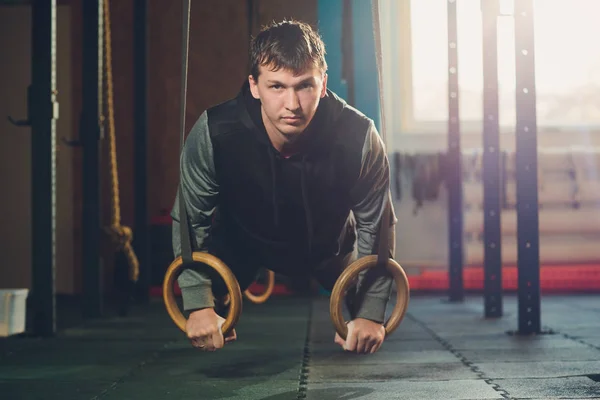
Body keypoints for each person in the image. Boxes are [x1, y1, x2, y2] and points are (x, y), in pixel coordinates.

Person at [171, 19, 397, 355]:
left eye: (304, 86)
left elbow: (376, 224)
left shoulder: (358, 137)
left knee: (363, 310)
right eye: (277, 86)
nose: (292, 103)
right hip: (240, 247)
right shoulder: (216, 133)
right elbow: (191, 220)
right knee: (206, 299)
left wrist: (371, 312)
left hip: (329, 249)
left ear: (323, 85)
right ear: (254, 86)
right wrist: (197, 303)